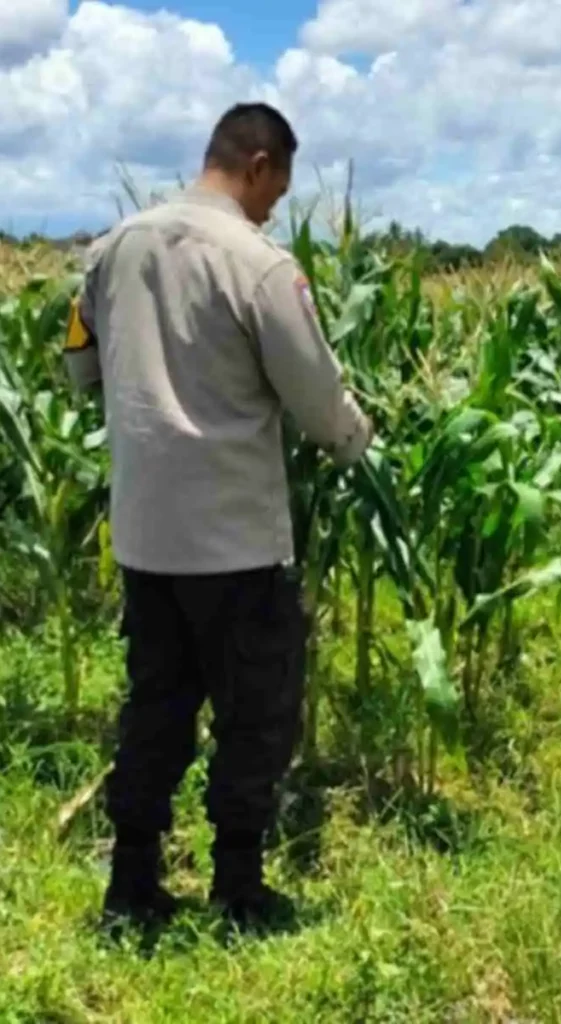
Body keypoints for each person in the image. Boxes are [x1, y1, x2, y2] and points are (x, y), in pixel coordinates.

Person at [63, 103, 373, 930]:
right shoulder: (260, 265)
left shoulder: (110, 251)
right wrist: (357, 436)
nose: (275, 205)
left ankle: (132, 888)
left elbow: (76, 369)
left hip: (144, 535)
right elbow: (317, 403)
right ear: (259, 163)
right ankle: (239, 889)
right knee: (255, 713)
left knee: (156, 707)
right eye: (278, 186)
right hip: (234, 540)